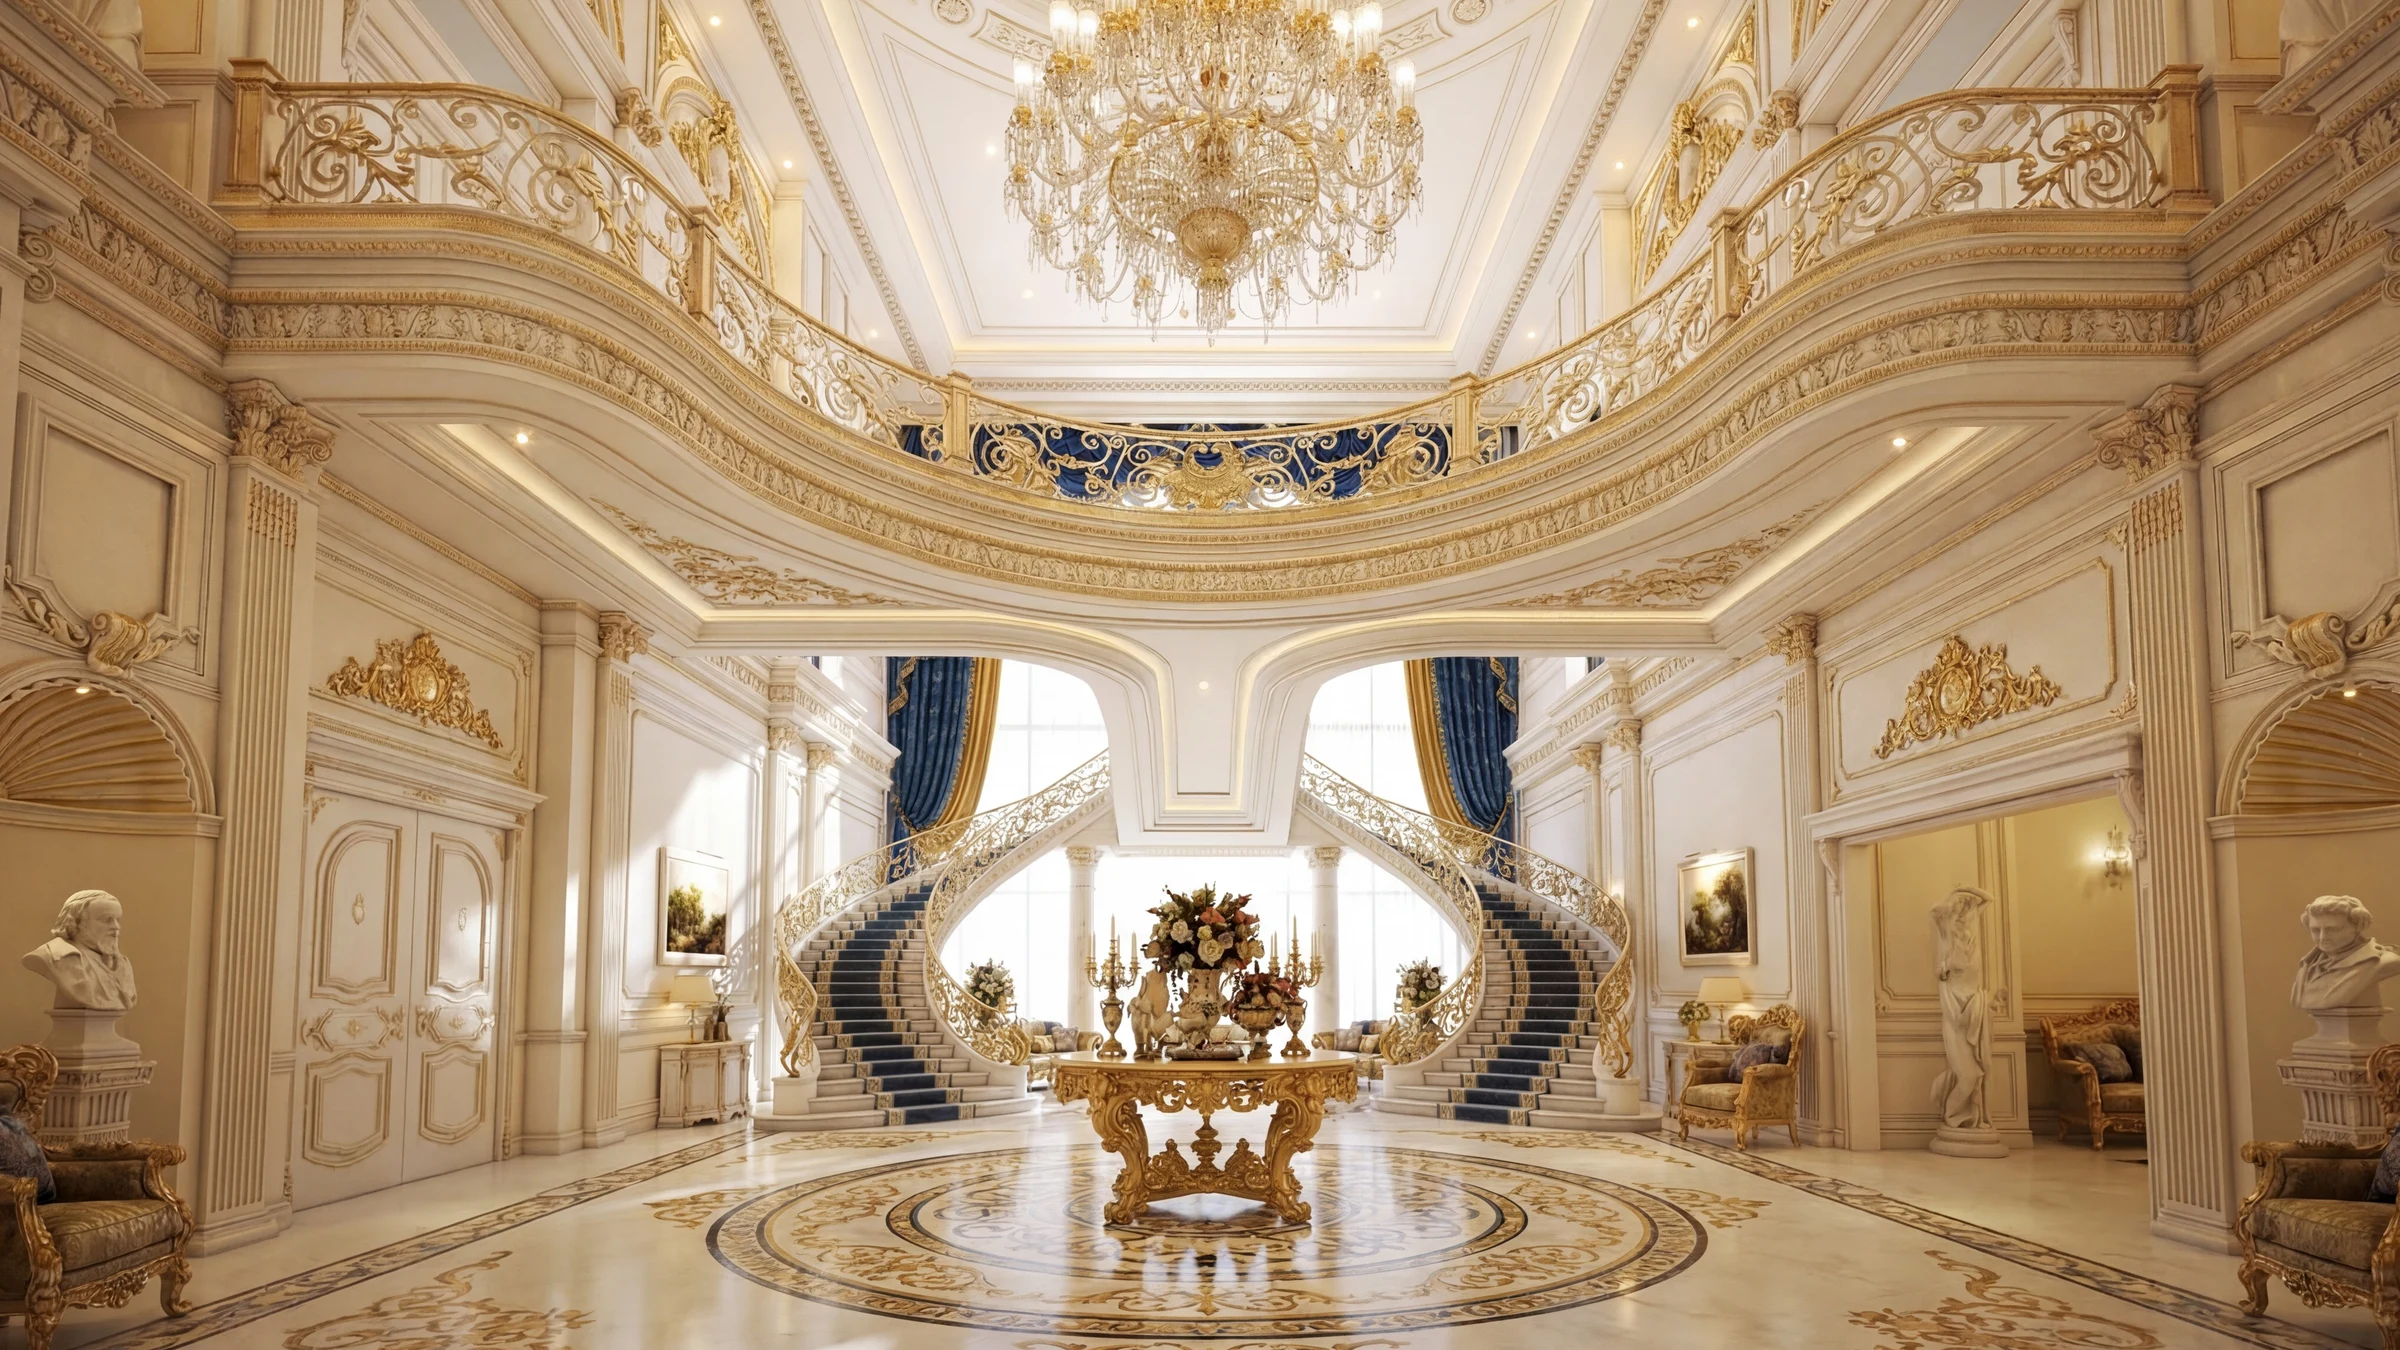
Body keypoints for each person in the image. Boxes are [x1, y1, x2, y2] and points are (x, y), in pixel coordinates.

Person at [21, 890, 137, 1012]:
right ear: (76, 922)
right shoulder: (56, 956)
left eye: (117, 920)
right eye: (105, 920)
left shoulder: (121, 964)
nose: (116, 927)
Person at [2292, 895, 2400, 1012]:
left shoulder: (2383, 962)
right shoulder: (2307, 965)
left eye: (2333, 930)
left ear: (2357, 927)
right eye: (2315, 930)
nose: (2323, 937)